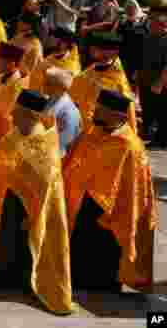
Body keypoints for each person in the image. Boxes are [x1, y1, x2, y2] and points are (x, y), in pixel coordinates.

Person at [0, 90, 73, 315]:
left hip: (31, 210)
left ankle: (28, 283)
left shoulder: (44, 144)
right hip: (8, 201)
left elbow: (44, 183)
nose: (11, 114)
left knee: (25, 247)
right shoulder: (14, 134)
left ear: (31, 116)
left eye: (17, 112)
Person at [63, 89, 156, 292]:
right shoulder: (90, 133)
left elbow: (134, 189)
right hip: (82, 204)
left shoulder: (130, 146)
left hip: (111, 213)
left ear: (119, 116)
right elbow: (73, 162)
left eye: (100, 109)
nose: (94, 111)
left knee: (104, 257)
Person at [69, 32, 137, 132]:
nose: (91, 50)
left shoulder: (117, 79)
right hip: (83, 131)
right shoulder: (85, 75)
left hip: (106, 133)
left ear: (112, 52)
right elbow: (72, 101)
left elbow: (128, 110)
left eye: (97, 48)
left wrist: (132, 131)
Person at [137, 0, 167, 146]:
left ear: (163, 26)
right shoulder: (149, 37)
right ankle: (150, 135)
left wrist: (161, 83)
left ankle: (162, 139)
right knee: (148, 109)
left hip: (160, 83)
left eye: (154, 24)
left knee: (162, 111)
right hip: (146, 80)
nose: (151, 25)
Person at [29, 26, 81, 95]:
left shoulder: (72, 64)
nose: (54, 40)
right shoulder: (51, 57)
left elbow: (65, 84)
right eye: (54, 37)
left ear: (67, 43)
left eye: (57, 38)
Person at [41, 68, 81, 157]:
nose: (43, 85)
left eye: (48, 84)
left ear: (60, 88)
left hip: (54, 156)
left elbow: (65, 139)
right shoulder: (48, 99)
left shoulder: (69, 111)